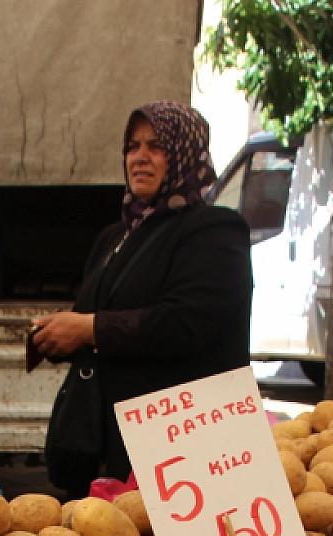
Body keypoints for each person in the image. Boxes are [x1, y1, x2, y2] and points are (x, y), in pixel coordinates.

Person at [32, 101, 252, 489]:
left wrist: (89, 329)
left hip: (183, 448)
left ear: (186, 154)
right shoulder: (115, 237)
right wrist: (58, 334)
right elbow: (95, 314)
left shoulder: (215, 231)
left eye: (157, 147)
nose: (140, 158)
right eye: (133, 147)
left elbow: (184, 323)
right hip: (110, 444)